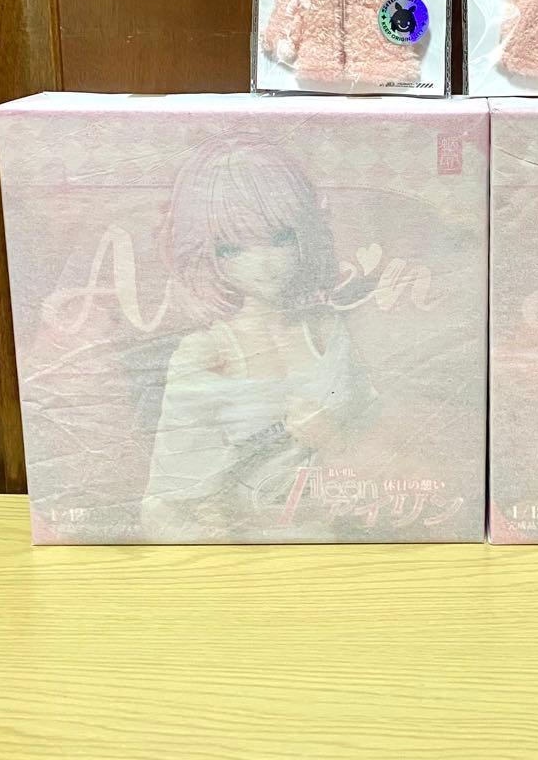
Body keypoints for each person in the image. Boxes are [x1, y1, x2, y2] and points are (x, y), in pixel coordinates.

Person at [140, 137, 374, 541]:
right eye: (232, 248)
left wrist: (334, 440)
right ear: (206, 253)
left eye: (280, 238)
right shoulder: (205, 354)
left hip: (341, 534)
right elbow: (165, 501)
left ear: (304, 232)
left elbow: (381, 442)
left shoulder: (328, 331)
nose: (264, 264)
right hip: (245, 545)